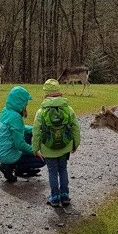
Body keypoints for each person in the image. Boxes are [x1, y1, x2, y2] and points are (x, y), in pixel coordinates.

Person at [32, 79, 81, 207]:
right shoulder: (68, 109)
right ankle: (65, 196)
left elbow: (36, 131)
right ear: (59, 92)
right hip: (65, 146)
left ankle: (54, 197)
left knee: (52, 171)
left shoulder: (41, 111)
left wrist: (35, 148)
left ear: (46, 93)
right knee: (63, 169)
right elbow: (76, 127)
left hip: (48, 148)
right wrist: (76, 143)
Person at [0, 86, 46, 183]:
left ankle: (17, 167)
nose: (26, 104)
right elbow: (20, 145)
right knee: (42, 160)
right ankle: (10, 166)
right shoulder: (15, 117)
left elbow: (20, 129)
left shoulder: (6, 110)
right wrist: (36, 151)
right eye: (26, 102)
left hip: (0, 151)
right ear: (20, 102)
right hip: (6, 155)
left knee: (29, 136)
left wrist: (36, 130)